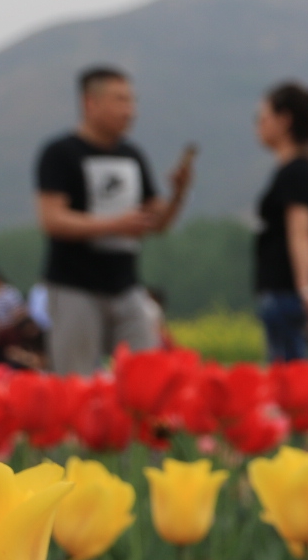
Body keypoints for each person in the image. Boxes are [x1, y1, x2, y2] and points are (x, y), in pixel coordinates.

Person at [36, 66, 194, 375]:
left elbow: (157, 223)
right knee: (74, 379)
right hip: (74, 286)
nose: (130, 110)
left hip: (126, 285)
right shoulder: (60, 153)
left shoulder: (131, 155)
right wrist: (113, 225)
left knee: (145, 375)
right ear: (90, 103)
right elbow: (52, 219)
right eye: (120, 100)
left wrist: (178, 193)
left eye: (132, 101)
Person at [251, 81, 308, 362]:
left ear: (284, 120)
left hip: (286, 293)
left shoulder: (296, 172)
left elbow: (299, 232)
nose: (258, 125)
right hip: (282, 292)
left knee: (290, 375)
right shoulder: (295, 170)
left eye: (262, 117)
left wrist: (305, 288)